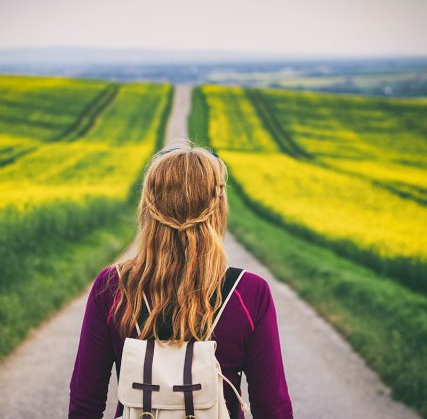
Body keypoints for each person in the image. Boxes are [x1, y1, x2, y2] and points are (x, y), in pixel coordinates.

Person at [68, 143, 294, 418]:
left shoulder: (113, 287)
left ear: (148, 208)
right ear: (219, 207)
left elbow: (85, 404)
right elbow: (273, 408)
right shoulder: (249, 293)